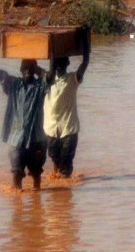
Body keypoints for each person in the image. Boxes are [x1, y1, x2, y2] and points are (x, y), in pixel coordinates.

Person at [0, 37, 49, 190]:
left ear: (35, 70)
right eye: (25, 67)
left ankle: (37, 208)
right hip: (16, 140)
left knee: (36, 179)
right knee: (16, 178)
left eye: (30, 67)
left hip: (37, 141)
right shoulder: (14, 85)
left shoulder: (40, 86)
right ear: (21, 70)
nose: (28, 70)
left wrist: (39, 66)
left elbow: (50, 76)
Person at [43, 27, 90, 178]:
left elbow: (85, 61)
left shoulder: (72, 79)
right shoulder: (47, 80)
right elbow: (35, 67)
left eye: (61, 64)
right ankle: (60, 194)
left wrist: (85, 40)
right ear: (54, 65)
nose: (59, 66)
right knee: (55, 162)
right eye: (57, 64)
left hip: (69, 129)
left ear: (67, 64)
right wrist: (50, 44)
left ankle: (64, 196)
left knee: (65, 168)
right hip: (51, 129)